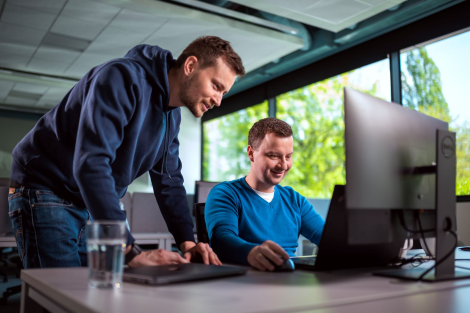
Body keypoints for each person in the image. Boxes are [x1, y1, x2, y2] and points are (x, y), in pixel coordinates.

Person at [8, 36, 245, 269]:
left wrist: (188, 243)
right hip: (47, 189)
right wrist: (130, 251)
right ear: (190, 66)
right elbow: (92, 163)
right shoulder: (121, 78)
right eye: (216, 86)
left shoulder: (172, 116)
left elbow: (169, 180)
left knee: (98, 296)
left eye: (224, 93)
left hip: (87, 201)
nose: (218, 100)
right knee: (61, 297)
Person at [205, 118, 325, 271]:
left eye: (288, 156)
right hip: (245, 281)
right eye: (274, 156)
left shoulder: (294, 200)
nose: (283, 165)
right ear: (251, 153)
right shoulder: (226, 193)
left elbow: (327, 238)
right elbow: (221, 240)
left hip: (289, 279)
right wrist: (252, 253)